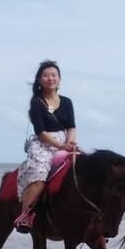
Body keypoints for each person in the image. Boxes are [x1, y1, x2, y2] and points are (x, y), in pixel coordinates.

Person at [14, 60, 78, 233]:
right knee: (39, 172)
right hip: (44, 144)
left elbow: (71, 126)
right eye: (46, 75)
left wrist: (70, 143)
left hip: (65, 141)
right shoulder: (36, 104)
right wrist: (61, 146)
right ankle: (25, 215)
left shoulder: (66, 102)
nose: (51, 78)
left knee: (84, 169)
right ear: (39, 80)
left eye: (54, 75)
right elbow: (41, 132)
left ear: (59, 79)